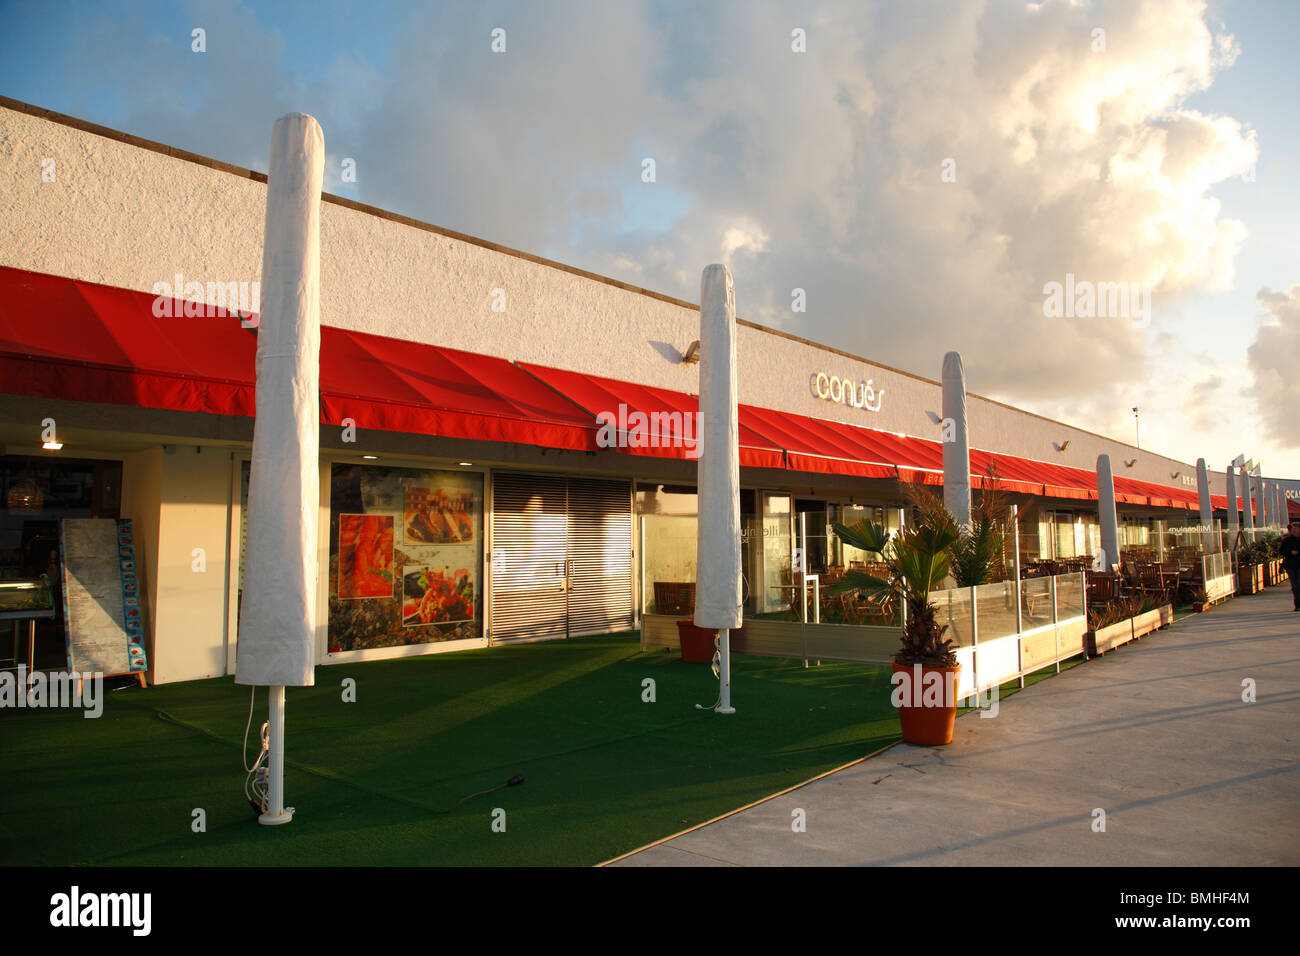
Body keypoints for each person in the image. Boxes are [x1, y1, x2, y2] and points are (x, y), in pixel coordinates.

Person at [1281, 519, 1300, 612]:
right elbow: (1281, 551)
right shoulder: (1287, 540)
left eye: (1296, 529)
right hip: (1290, 565)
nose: (1294, 530)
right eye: (1293, 529)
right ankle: (1297, 604)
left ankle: (1298, 604)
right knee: (1295, 585)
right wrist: (1290, 552)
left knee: (1298, 584)